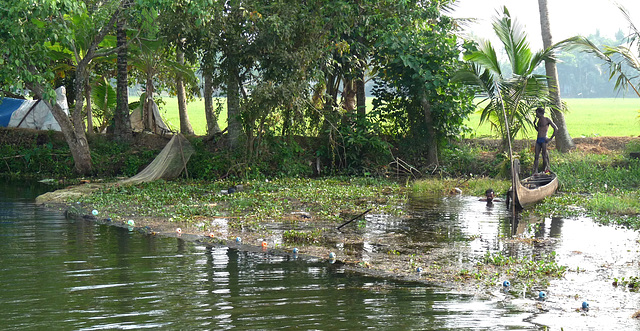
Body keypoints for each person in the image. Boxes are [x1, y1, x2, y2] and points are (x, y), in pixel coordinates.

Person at [533, 107, 557, 175]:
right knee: (536, 156)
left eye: (536, 113)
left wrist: (551, 138)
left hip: (544, 139)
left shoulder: (547, 120)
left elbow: (555, 128)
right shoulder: (539, 121)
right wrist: (534, 124)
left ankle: (545, 170)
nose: (536, 114)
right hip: (538, 139)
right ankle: (536, 171)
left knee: (544, 156)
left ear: (539, 113)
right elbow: (539, 130)